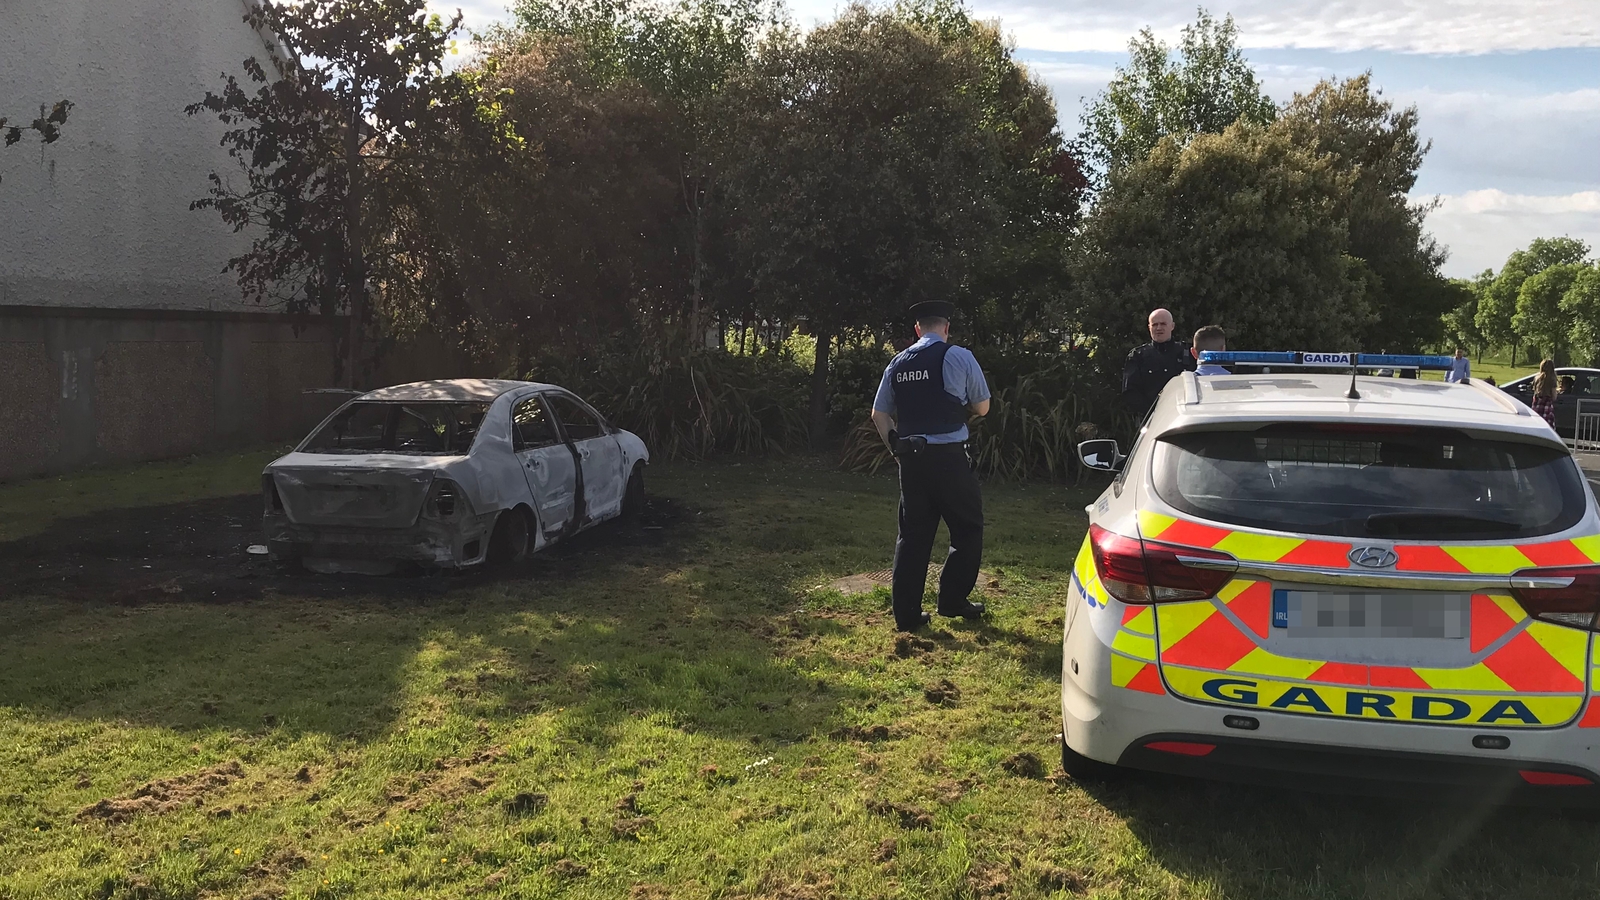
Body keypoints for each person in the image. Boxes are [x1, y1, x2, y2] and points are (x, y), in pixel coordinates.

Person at [871, 300, 991, 632]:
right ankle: (952, 600)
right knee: (967, 529)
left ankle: (907, 616)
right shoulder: (958, 356)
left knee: (912, 536)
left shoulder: (897, 362)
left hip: (911, 461)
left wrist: (895, 448)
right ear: (946, 328)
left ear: (917, 329)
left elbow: (879, 414)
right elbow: (982, 408)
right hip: (950, 459)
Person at [1123, 308, 1195, 416]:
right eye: (1154, 325)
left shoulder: (1188, 353)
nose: (1159, 328)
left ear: (1172, 326)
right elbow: (1130, 392)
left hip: (1183, 416)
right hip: (1151, 419)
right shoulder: (1137, 356)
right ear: (1149, 327)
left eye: (1163, 324)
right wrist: (1154, 412)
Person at [1532, 359, 1558, 428]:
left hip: (1537, 404)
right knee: (1547, 426)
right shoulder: (1552, 379)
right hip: (1547, 406)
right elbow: (1554, 396)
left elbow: (1535, 390)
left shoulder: (1537, 378)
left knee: (1537, 424)